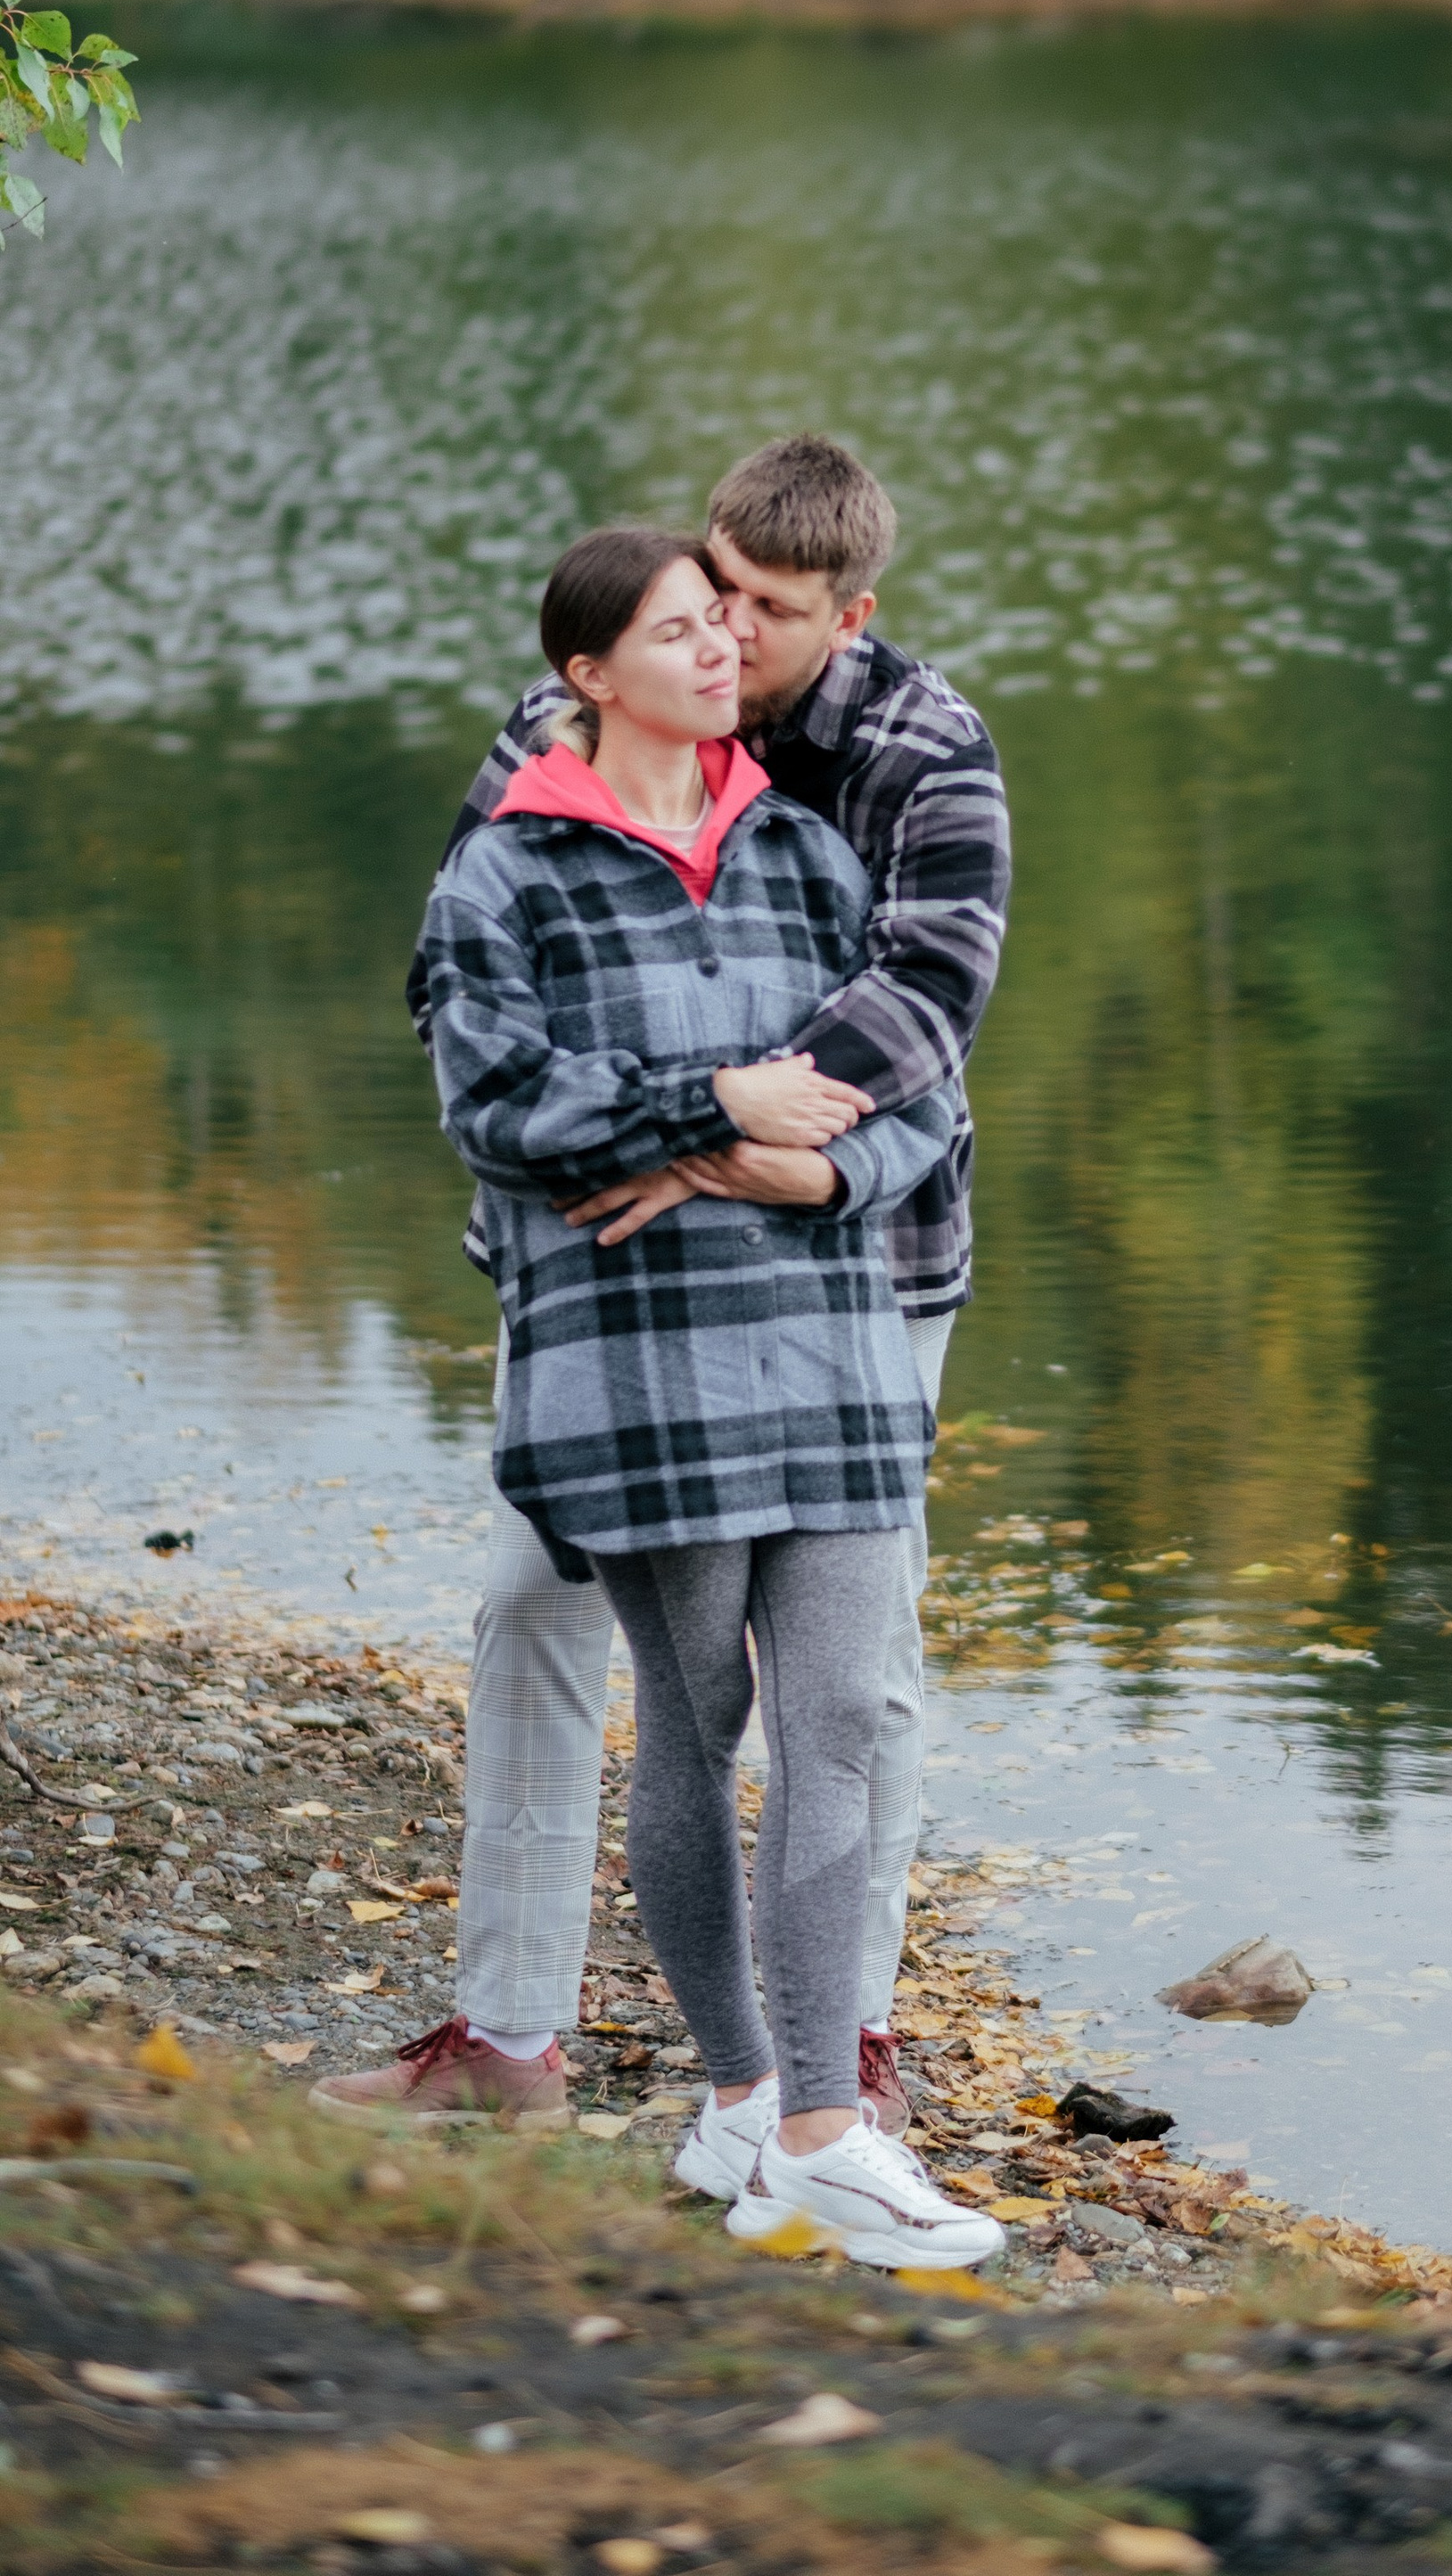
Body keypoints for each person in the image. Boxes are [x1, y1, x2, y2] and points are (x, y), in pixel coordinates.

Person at [321, 438, 1009, 2180]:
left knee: (860, 1670)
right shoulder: (564, 725)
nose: (728, 640)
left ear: (846, 616)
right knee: (532, 1603)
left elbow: (917, 1022)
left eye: (768, 617)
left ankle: (836, 2038)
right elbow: (470, 1012)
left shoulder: (924, 754)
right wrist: (690, 1131)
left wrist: (723, 1146)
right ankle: (507, 2034)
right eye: (707, 595)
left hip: (855, 1272)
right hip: (605, 1274)